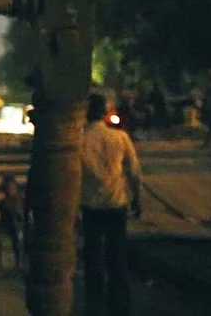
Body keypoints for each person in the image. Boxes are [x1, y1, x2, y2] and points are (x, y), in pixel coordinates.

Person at [81, 93, 142, 316]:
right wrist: (137, 198)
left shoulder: (80, 140)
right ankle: (119, 302)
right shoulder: (120, 137)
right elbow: (134, 171)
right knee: (116, 253)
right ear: (105, 112)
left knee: (93, 254)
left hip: (90, 205)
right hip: (116, 203)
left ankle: (94, 300)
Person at [0, 174, 23, 270]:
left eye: (12, 187)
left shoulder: (21, 200)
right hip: (9, 230)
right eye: (8, 188)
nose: (10, 190)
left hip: (19, 228)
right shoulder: (3, 203)